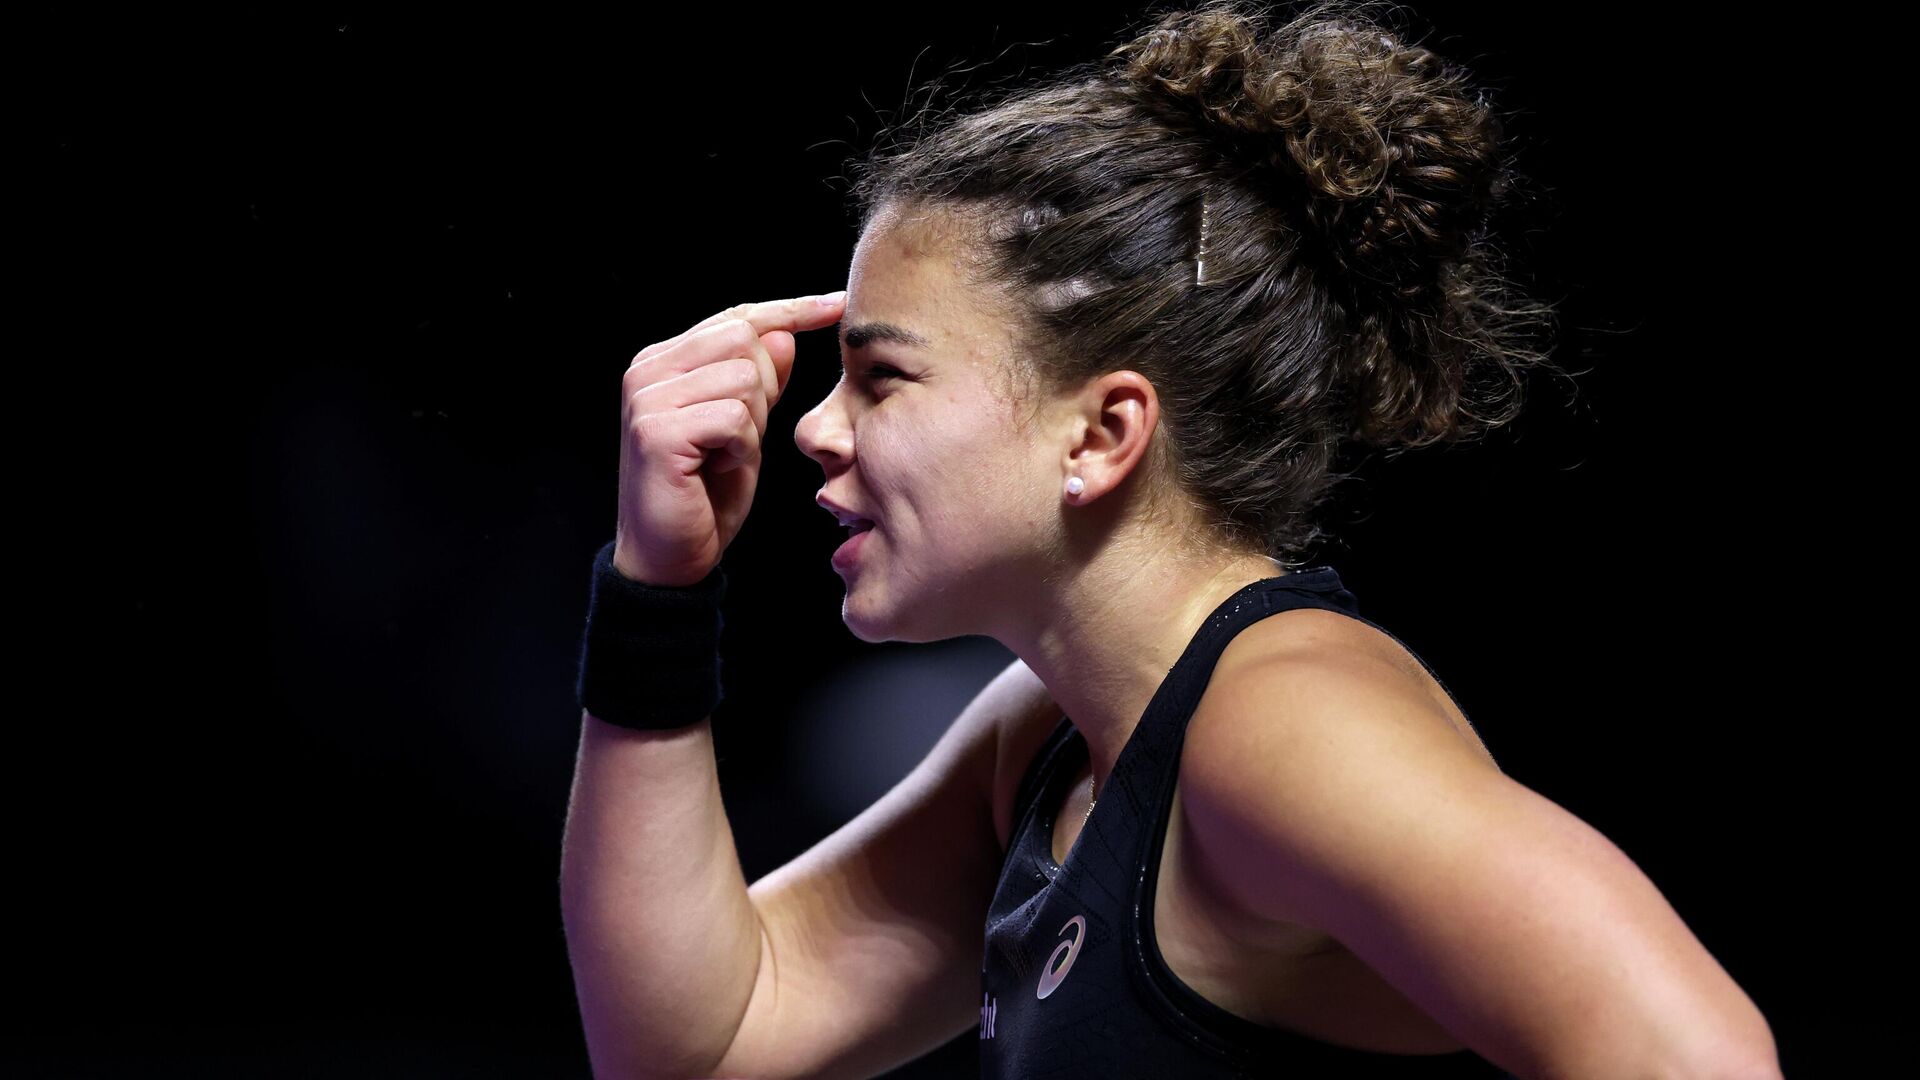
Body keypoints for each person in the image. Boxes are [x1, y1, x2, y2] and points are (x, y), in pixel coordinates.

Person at [562, 2, 1781, 1077]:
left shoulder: (1289, 730)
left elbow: (1698, 1059)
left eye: (882, 377)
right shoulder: (1048, 738)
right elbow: (699, 1043)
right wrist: (657, 593)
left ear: (1103, 434)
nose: (814, 428)